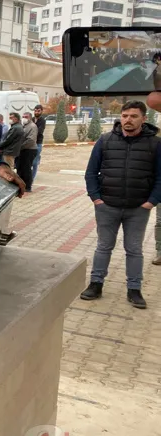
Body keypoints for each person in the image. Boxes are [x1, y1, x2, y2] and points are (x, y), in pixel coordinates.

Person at [80, 101, 161, 309]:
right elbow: (91, 173)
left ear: (144, 119)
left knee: (134, 250)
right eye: (125, 115)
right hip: (107, 205)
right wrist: (96, 198)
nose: (128, 120)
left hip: (138, 209)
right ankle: (96, 284)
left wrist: (151, 202)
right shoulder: (105, 140)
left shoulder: (155, 144)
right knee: (103, 247)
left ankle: (134, 289)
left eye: (133, 116)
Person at [17, 113, 39, 192]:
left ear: (30, 118)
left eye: (26, 117)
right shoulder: (23, 126)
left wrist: (20, 146)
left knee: (26, 168)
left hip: (29, 150)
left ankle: (28, 186)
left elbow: (31, 140)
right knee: (20, 168)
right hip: (22, 150)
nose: (24, 118)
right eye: (23, 117)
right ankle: (20, 184)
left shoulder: (32, 126)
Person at [32, 104, 47, 181]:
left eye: (38, 111)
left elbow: (39, 131)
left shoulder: (42, 120)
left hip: (38, 143)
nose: (36, 112)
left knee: (34, 162)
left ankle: (32, 179)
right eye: (35, 111)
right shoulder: (31, 119)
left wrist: (31, 132)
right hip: (30, 143)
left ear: (41, 111)